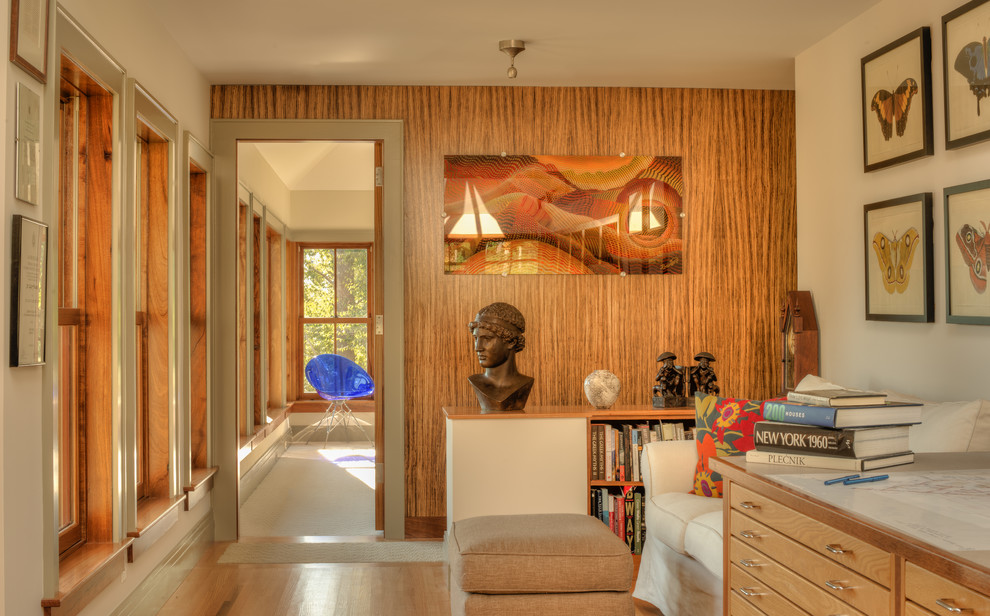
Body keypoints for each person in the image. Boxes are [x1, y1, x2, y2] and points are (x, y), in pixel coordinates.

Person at [467, 302, 534, 411]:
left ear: (511, 341)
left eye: (487, 339)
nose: (478, 347)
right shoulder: (475, 381)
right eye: (476, 338)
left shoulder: (524, 384)